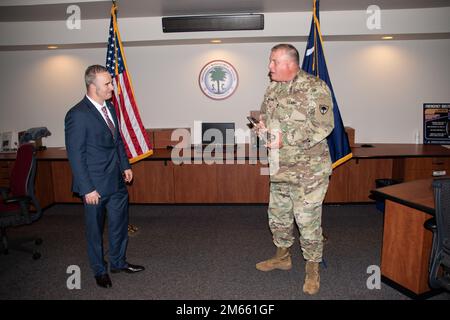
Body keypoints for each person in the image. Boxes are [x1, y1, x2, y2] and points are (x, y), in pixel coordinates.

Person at [254, 44, 334, 295]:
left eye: (273, 62)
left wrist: (285, 138)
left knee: (307, 220)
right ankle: (282, 257)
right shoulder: (272, 88)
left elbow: (324, 127)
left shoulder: (315, 87)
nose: (269, 67)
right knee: (278, 216)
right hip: (280, 166)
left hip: (309, 170)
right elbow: (266, 116)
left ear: (289, 63)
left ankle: (312, 268)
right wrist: (262, 127)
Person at [65, 65, 145, 289]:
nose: (112, 87)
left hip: (116, 181)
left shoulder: (109, 107)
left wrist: (126, 165)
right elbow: (76, 155)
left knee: (120, 225)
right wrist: (87, 188)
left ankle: (119, 262)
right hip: (94, 188)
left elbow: (117, 141)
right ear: (92, 86)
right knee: (95, 231)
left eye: (111, 82)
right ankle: (99, 270)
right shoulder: (77, 114)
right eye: (108, 84)